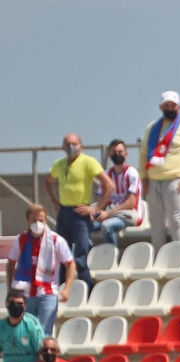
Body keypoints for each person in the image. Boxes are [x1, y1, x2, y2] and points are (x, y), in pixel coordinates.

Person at [139, 91, 180, 251]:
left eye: (173, 105)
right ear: (161, 107)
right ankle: (158, 258)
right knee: (156, 223)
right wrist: (144, 177)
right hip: (153, 182)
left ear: (179, 107)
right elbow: (143, 153)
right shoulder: (152, 127)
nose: (170, 108)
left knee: (176, 220)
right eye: (167, 105)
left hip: (176, 181)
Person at [45, 133, 112, 292]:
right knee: (62, 255)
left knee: (80, 256)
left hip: (80, 213)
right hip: (64, 213)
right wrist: (54, 201)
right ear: (62, 147)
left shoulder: (88, 162)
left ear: (81, 146)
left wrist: (96, 208)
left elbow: (109, 185)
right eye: (67, 144)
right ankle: (62, 291)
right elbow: (47, 182)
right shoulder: (60, 164)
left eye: (74, 143)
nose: (71, 147)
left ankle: (88, 290)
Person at [9, 205, 76, 335]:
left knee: (46, 331)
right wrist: (11, 286)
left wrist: (67, 288)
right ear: (28, 221)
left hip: (48, 292)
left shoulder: (56, 240)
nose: (37, 224)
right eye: (34, 221)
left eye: (41, 220)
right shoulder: (21, 239)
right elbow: (11, 262)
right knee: (27, 331)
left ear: (46, 220)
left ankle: (45, 354)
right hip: (26, 292)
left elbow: (70, 263)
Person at [91, 139, 145, 249]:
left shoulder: (132, 173)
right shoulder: (107, 175)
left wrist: (108, 214)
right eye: (114, 152)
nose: (117, 155)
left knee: (106, 226)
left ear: (126, 154)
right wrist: (95, 212)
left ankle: (112, 258)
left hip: (128, 215)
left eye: (120, 152)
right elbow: (103, 201)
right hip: (110, 213)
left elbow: (130, 203)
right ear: (109, 154)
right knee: (84, 227)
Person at [0, 290, 44, 362]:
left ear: (25, 305)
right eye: (12, 303)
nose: (15, 306)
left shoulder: (31, 323)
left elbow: (41, 351)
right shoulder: (1, 326)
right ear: (6, 304)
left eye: (19, 303)